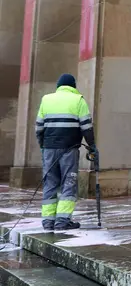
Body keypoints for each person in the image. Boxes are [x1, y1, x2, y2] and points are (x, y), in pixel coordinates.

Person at [35, 73, 97, 231]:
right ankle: (62, 221)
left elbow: (39, 128)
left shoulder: (46, 100)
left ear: (58, 86)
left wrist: (43, 146)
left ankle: (48, 222)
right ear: (73, 86)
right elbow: (87, 127)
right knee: (68, 183)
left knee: (50, 183)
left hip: (49, 149)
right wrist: (92, 146)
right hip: (69, 149)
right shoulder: (78, 100)